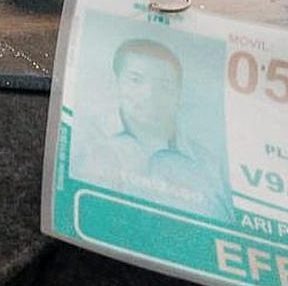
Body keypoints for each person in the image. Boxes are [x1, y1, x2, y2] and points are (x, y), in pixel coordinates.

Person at [73, 39, 234, 222]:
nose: (149, 95)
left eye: (164, 84)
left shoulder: (210, 168)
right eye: (136, 80)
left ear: (179, 94)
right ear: (115, 83)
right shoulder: (79, 140)